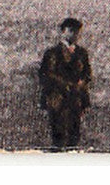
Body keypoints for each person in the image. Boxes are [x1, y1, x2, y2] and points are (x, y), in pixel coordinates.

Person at [38, 17, 92, 149]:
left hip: (76, 98)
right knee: (58, 131)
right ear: (63, 31)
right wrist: (66, 85)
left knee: (74, 131)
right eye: (71, 31)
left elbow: (87, 73)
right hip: (57, 98)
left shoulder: (82, 53)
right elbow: (47, 74)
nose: (74, 35)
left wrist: (82, 83)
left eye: (77, 32)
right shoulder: (52, 53)